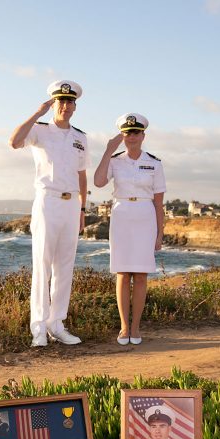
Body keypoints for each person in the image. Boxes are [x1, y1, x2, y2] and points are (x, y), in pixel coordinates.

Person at [9, 80, 89, 347]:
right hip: (47, 201)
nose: (65, 106)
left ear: (75, 106)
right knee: (42, 264)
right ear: (54, 103)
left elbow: (82, 175)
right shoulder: (40, 130)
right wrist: (37, 113)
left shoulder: (80, 138)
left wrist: (82, 209)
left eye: (70, 102)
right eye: (61, 101)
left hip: (71, 204)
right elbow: (14, 141)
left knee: (65, 266)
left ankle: (57, 324)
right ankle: (39, 327)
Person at [94, 113, 166, 345]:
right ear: (122, 136)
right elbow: (98, 182)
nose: (131, 137)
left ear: (143, 135)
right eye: (127, 133)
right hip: (122, 215)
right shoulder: (114, 160)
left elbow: (158, 203)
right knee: (123, 274)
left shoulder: (154, 163)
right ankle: (124, 327)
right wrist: (107, 150)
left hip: (145, 216)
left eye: (135, 132)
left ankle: (136, 328)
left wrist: (159, 233)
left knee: (142, 275)